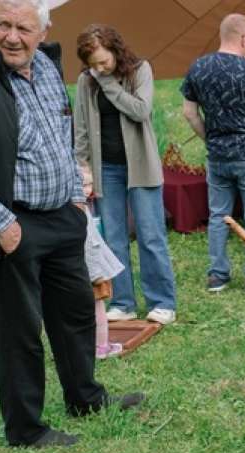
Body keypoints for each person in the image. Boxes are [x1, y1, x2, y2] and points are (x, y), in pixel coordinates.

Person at [0, 0, 145, 449]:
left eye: (23, 27)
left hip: (62, 213)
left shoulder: (44, 65)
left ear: (43, 31)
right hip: (15, 221)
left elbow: (61, 136)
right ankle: (26, 429)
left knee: (77, 311)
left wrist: (78, 200)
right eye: (3, 25)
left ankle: (85, 397)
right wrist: (1, 221)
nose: (12, 37)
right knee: (19, 329)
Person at [74, 23, 178, 325]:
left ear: (116, 51)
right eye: (93, 64)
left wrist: (108, 84)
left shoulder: (140, 70)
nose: (99, 68)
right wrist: (83, 167)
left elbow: (141, 110)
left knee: (151, 235)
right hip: (106, 168)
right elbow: (81, 127)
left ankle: (162, 302)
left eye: (104, 61)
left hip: (141, 167)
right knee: (113, 238)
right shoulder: (85, 81)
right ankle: (123, 302)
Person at [181, 13, 245, 294]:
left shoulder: (199, 66)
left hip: (217, 155)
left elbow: (189, 113)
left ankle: (217, 275)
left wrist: (209, 137)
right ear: (242, 37)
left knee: (218, 215)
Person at [78, 162, 125, 359]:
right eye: (83, 185)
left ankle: (86, 347)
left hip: (81, 270)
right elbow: (89, 245)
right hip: (91, 270)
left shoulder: (83, 209)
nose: (88, 190)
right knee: (98, 310)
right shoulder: (81, 213)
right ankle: (102, 346)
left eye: (90, 184)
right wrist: (97, 274)